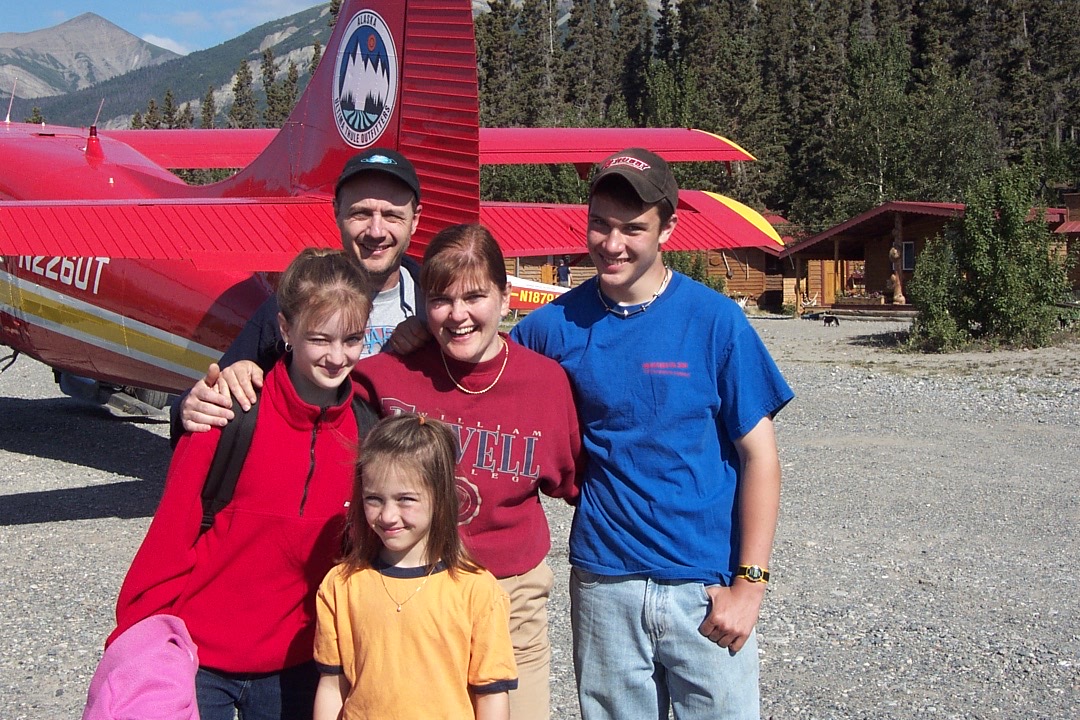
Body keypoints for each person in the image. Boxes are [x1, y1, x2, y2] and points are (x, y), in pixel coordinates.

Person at [205, 224, 582, 720]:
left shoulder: (545, 385)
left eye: (475, 296)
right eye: (441, 299)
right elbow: (313, 396)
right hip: (398, 588)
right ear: (423, 305)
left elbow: (573, 480)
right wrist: (245, 370)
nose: (459, 314)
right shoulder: (387, 374)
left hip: (507, 595)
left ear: (506, 297)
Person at [510, 148, 794, 720]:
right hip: (604, 583)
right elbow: (479, 375)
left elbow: (760, 457)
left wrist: (751, 585)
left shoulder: (716, 322)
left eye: (632, 229)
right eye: (600, 224)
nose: (612, 244)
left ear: (669, 228)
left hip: (705, 587)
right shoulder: (549, 329)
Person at [109, 248, 372, 720]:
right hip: (198, 660)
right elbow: (171, 535)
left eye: (352, 339)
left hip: (297, 667)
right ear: (286, 330)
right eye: (320, 338)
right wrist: (133, 643)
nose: (337, 357)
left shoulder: (365, 431)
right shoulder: (229, 412)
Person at [173, 146, 426, 438]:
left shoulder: (438, 308)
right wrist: (189, 409)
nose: (376, 231)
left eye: (392, 216)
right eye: (361, 213)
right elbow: (213, 391)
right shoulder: (295, 301)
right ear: (337, 213)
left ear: (415, 219)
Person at [313, 413, 517, 720]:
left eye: (405, 499)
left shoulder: (477, 589)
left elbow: (491, 695)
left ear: (441, 496)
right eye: (374, 498)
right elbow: (332, 686)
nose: (388, 515)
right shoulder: (341, 584)